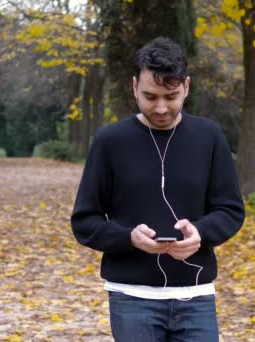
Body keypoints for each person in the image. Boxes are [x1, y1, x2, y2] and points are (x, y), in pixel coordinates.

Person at [70, 36, 245, 341]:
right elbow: (85, 221)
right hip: (131, 297)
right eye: (150, 97)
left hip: (196, 294)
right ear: (134, 86)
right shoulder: (110, 141)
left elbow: (230, 211)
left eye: (171, 96)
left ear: (187, 87)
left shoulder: (210, 136)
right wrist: (128, 237)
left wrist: (200, 233)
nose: (162, 107)